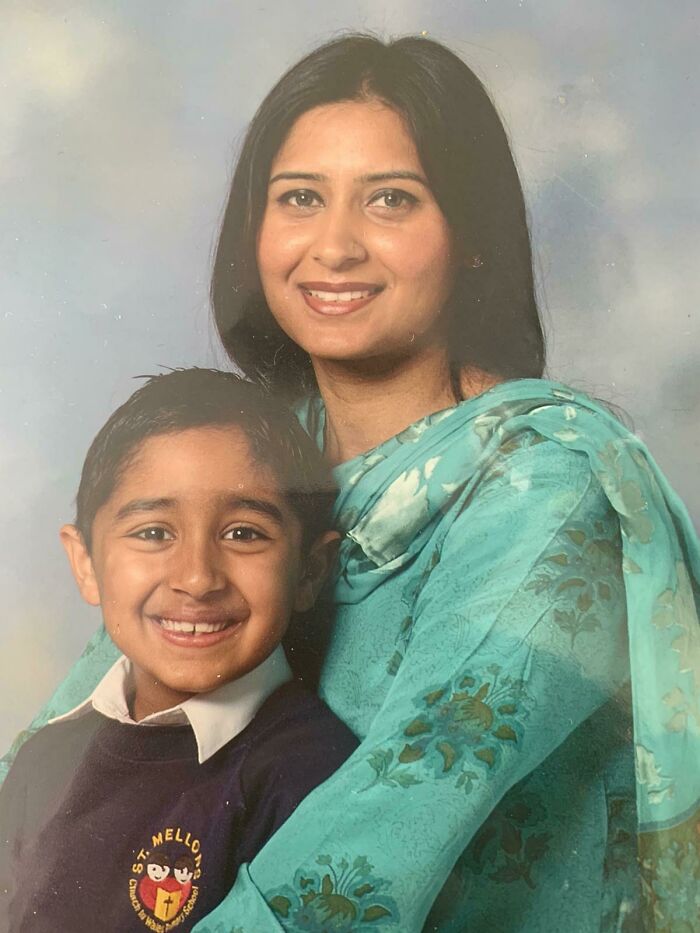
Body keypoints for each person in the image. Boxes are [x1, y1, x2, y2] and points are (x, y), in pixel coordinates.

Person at [2, 33, 699, 933]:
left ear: (473, 238)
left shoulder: (551, 488)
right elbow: (88, 725)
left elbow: (387, 830)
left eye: (390, 200)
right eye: (299, 198)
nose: (334, 246)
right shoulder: (251, 460)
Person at [0, 368, 358, 932]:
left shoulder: (308, 775)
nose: (196, 578)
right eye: (153, 533)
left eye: (244, 533)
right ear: (86, 564)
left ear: (310, 571)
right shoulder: (43, 758)